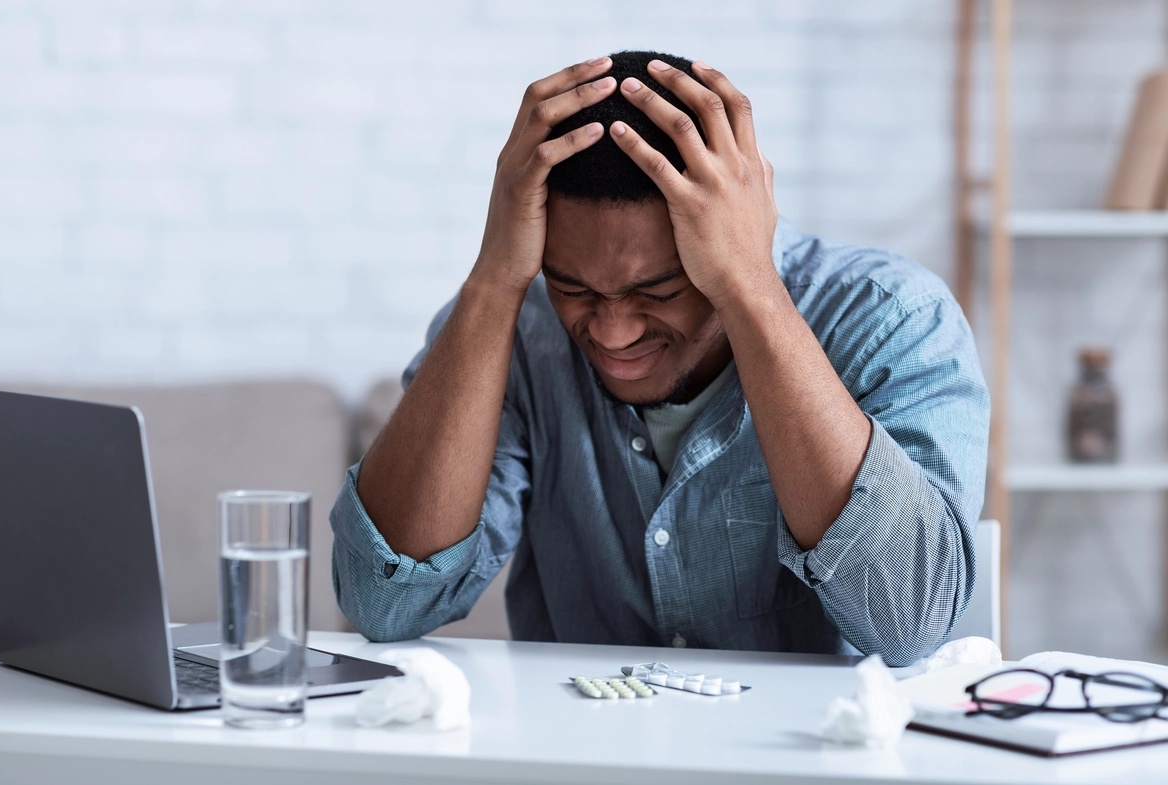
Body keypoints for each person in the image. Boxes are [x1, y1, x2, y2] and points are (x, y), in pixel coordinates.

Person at [330, 50, 989, 666]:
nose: (613, 334)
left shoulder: (891, 318)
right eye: (573, 288)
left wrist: (750, 287)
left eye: (660, 292)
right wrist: (494, 277)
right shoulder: (509, 328)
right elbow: (386, 604)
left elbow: (908, 619)